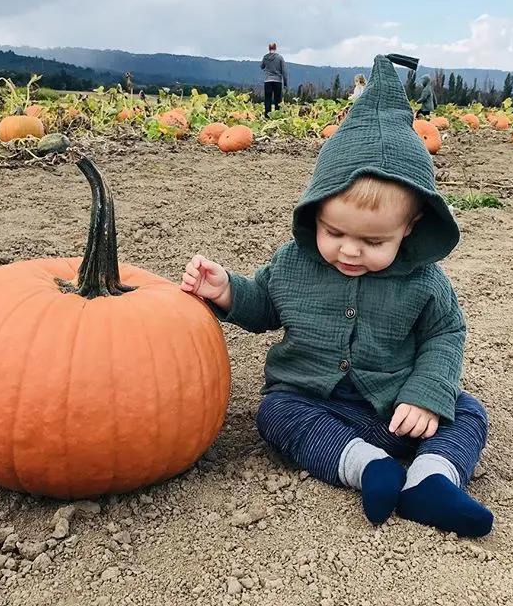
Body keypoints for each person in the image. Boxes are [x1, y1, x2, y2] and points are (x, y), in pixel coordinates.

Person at [181, 53, 493, 538]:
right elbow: (264, 303)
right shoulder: (293, 262)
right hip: (315, 402)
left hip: (397, 407)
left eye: (373, 243)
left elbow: (445, 334)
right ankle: (368, 467)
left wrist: (426, 396)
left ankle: (433, 478)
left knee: (467, 410)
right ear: (316, 210)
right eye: (334, 231)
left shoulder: (423, 280)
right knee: (274, 412)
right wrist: (226, 291)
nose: (349, 250)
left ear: (409, 230)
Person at [260, 43, 288, 117]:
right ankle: (277, 116)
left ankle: (267, 116)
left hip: (268, 80)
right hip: (277, 81)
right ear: (275, 48)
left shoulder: (265, 57)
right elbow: (284, 71)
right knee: (277, 100)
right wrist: (285, 82)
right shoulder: (280, 58)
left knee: (267, 99)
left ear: (269, 48)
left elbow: (261, 66)